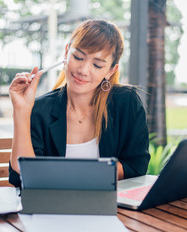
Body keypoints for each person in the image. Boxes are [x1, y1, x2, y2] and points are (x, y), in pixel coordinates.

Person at [8, 19, 150, 188]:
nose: (83, 70)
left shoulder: (127, 103)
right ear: (66, 53)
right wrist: (21, 111)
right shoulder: (39, 109)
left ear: (111, 71)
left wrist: (78, 176)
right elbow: (21, 175)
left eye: (97, 65)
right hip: (53, 208)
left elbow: (136, 165)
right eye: (78, 57)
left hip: (110, 208)